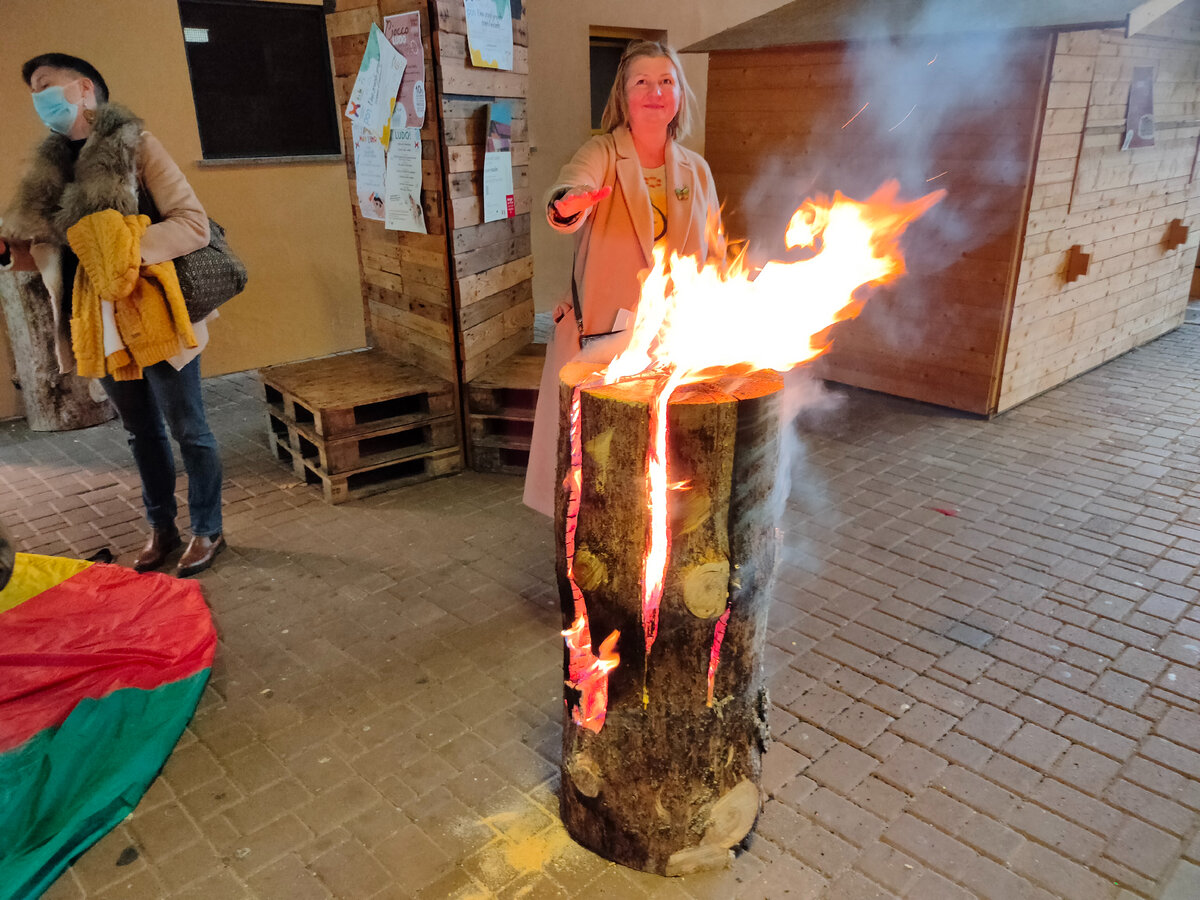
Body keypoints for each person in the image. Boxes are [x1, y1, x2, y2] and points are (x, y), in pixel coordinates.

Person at [0, 53, 226, 577]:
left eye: (44, 86)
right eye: (33, 91)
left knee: (188, 427)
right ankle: (162, 528)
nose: (38, 99)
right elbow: (58, 251)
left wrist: (123, 250)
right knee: (140, 432)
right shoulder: (50, 170)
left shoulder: (136, 146)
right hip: (94, 317)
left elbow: (193, 224)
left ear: (83, 89)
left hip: (153, 311)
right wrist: (14, 253)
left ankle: (208, 528)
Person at [522, 41, 726, 516]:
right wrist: (568, 203)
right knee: (597, 463)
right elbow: (570, 187)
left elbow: (714, 250)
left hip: (673, 342)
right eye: (642, 82)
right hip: (605, 339)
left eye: (666, 81)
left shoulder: (696, 170)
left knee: (662, 461)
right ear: (624, 96)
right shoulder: (604, 152)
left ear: (678, 96)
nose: (655, 91)